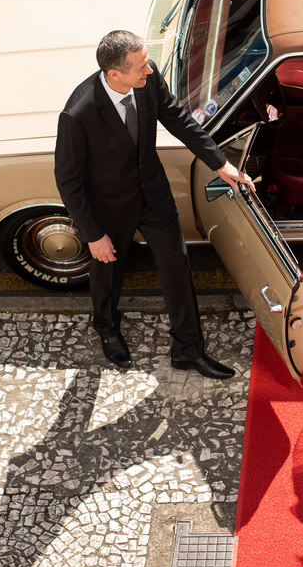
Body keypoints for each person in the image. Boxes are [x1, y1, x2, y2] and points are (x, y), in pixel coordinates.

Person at [55, 30, 250, 378]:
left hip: (154, 195)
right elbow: (68, 181)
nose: (150, 71)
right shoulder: (78, 113)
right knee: (108, 272)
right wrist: (93, 234)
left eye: (147, 63)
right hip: (108, 207)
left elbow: (178, 119)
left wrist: (220, 164)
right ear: (115, 74)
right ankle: (106, 326)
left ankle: (188, 349)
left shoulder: (147, 78)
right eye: (141, 67)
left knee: (177, 266)